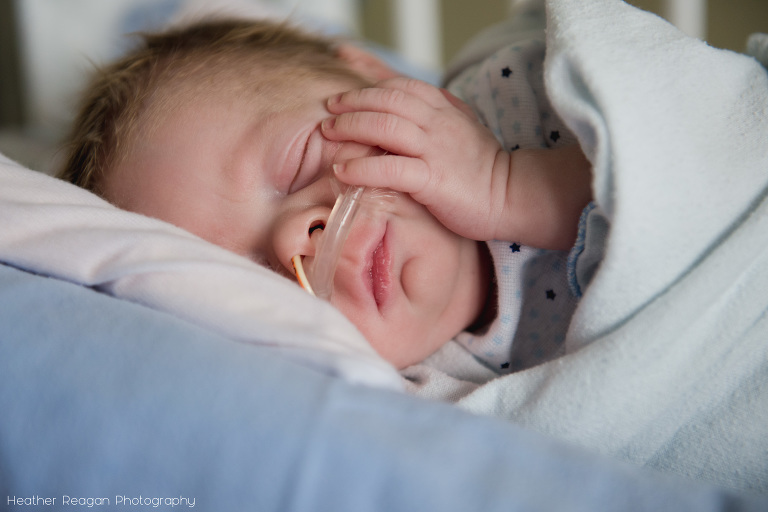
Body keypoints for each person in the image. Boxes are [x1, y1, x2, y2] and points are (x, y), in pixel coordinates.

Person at [57, 9, 592, 373]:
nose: (294, 242)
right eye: (255, 278)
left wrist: (509, 187)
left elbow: (674, 146)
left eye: (296, 166)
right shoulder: (424, 399)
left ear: (373, 75)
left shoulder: (531, 88)